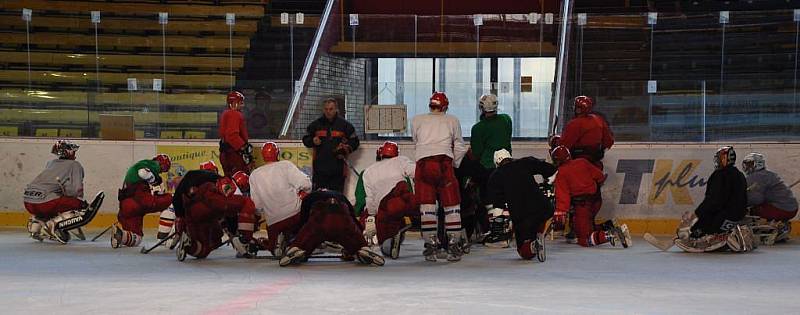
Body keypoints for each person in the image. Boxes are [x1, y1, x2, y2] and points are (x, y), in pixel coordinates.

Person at [411, 91, 469, 262]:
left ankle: (430, 247)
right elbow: (459, 146)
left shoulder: (416, 120)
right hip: (444, 164)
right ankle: (453, 246)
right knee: (452, 206)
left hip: (423, 164)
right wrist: (455, 164)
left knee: (427, 207)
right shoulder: (452, 120)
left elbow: (416, 141)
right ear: (445, 106)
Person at [672, 146, 755, 252]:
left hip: (722, 217)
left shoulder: (719, 175)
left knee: (695, 230)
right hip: (737, 216)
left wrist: (697, 215)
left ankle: (712, 238)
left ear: (724, 159)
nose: (717, 161)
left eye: (718, 159)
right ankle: (732, 236)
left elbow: (713, 201)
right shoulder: (739, 175)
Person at [23, 140, 103, 243]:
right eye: (73, 151)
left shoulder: (50, 163)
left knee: (54, 204)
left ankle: (36, 226)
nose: (74, 153)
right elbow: (74, 191)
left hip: (28, 202)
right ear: (68, 152)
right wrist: (78, 203)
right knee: (80, 206)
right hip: (46, 203)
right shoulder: (75, 165)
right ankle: (53, 226)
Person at [551, 146, 630, 248]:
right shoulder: (582, 162)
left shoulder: (561, 173)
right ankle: (608, 225)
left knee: (584, 239)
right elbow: (600, 176)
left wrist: (560, 214)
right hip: (596, 200)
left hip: (582, 206)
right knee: (586, 227)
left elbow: (563, 198)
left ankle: (612, 234)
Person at [279, 190, 384, 267]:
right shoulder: (341, 196)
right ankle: (361, 249)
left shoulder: (309, 198)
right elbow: (354, 222)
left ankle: (297, 249)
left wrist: (294, 239)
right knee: (353, 241)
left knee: (306, 240)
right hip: (342, 218)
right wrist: (361, 238)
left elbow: (303, 223)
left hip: (319, 219)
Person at [487, 149, 557, 259]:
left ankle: (532, 246)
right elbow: (551, 169)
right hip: (544, 208)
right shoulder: (525, 162)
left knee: (524, 252)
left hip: (522, 217)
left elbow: (498, 205)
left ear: (496, 163)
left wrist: (498, 223)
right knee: (546, 215)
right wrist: (548, 182)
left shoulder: (496, 176)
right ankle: (540, 232)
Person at [173, 173, 259, 259]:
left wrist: (181, 229)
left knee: (204, 249)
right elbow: (223, 206)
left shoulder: (193, 183)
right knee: (246, 202)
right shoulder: (230, 185)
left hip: (194, 213)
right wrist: (237, 233)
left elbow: (180, 209)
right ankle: (244, 240)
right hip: (208, 204)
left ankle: (188, 244)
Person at [249, 142, 312, 257]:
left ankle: (279, 243)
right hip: (295, 215)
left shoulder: (254, 175)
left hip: (273, 222)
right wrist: (301, 193)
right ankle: (297, 242)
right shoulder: (285, 165)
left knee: (274, 251)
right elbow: (306, 184)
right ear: (277, 154)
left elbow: (257, 205)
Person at [465, 94, 513, 240]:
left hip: (487, 168)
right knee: (505, 197)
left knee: (487, 199)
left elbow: (477, 153)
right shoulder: (506, 119)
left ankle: (493, 229)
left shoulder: (478, 128)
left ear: (481, 107)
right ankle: (506, 225)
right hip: (507, 165)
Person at [361, 141, 418, 259]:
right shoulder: (401, 161)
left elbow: (369, 199)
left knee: (379, 223)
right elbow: (418, 172)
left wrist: (371, 216)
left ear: (380, 154)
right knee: (424, 210)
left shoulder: (368, 171)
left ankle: (388, 237)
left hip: (380, 210)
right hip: (399, 205)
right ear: (396, 154)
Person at [112, 154, 173, 248]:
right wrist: (155, 181)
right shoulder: (152, 165)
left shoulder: (140, 164)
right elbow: (143, 173)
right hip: (140, 201)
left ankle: (121, 235)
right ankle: (162, 238)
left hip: (125, 206)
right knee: (170, 201)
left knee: (137, 238)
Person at [302, 98, 360, 192]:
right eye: (326, 109)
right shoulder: (315, 125)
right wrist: (312, 140)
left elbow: (355, 141)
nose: (328, 111)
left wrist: (345, 149)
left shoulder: (345, 125)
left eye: (331, 109)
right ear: (323, 109)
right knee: (319, 200)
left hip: (338, 170)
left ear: (336, 109)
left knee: (337, 200)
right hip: (319, 170)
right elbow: (305, 139)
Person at [742, 152, 797, 243]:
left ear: (756, 164)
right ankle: (781, 225)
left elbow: (756, 199)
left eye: (750, 164)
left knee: (751, 211)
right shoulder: (769, 174)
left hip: (781, 209)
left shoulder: (756, 176)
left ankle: (772, 228)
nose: (747, 167)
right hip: (792, 208)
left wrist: (742, 202)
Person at [559, 96, 614, 170]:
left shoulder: (574, 123)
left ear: (578, 109)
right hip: (596, 154)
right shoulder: (598, 119)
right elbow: (608, 141)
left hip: (578, 155)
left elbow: (565, 144)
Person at [219, 90, 254, 176]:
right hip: (234, 154)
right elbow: (232, 135)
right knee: (241, 180)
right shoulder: (235, 114)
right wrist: (244, 148)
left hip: (225, 153)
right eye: (241, 103)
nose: (243, 105)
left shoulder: (225, 114)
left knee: (229, 180)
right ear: (234, 103)